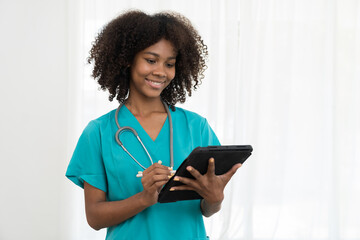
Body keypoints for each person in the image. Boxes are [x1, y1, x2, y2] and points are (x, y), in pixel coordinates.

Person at [66, 10, 242, 240]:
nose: (160, 72)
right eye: (151, 60)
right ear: (127, 60)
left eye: (169, 64)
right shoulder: (98, 132)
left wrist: (215, 198)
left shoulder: (196, 127)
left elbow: (206, 209)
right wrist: (143, 198)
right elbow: (94, 217)